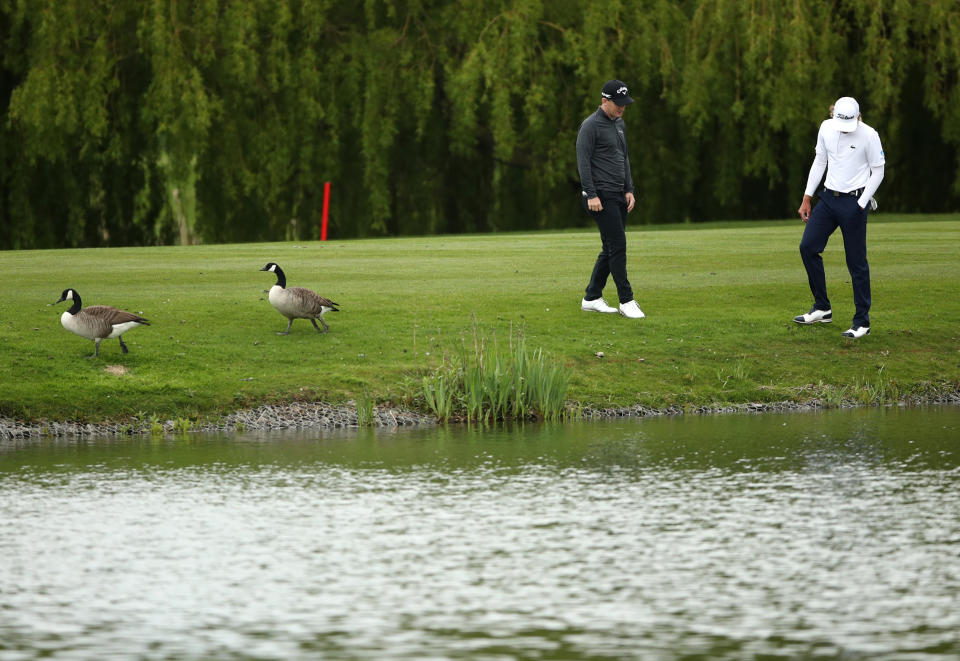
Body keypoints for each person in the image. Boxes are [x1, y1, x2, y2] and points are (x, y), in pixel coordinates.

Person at [795, 96, 885, 338]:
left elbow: (878, 170)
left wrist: (862, 202)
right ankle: (822, 307)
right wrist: (807, 197)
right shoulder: (826, 127)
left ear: (858, 117)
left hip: (854, 202)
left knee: (856, 263)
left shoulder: (869, 135)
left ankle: (862, 322)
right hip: (828, 199)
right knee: (808, 247)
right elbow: (820, 161)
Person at [576, 79, 645, 319]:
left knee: (610, 247)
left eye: (625, 104)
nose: (622, 108)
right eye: (618, 104)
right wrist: (591, 194)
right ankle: (627, 300)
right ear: (605, 101)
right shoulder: (590, 126)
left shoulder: (620, 124)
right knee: (618, 245)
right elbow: (583, 162)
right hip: (599, 197)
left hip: (618, 194)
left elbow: (623, 157)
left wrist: (629, 188)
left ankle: (592, 297)